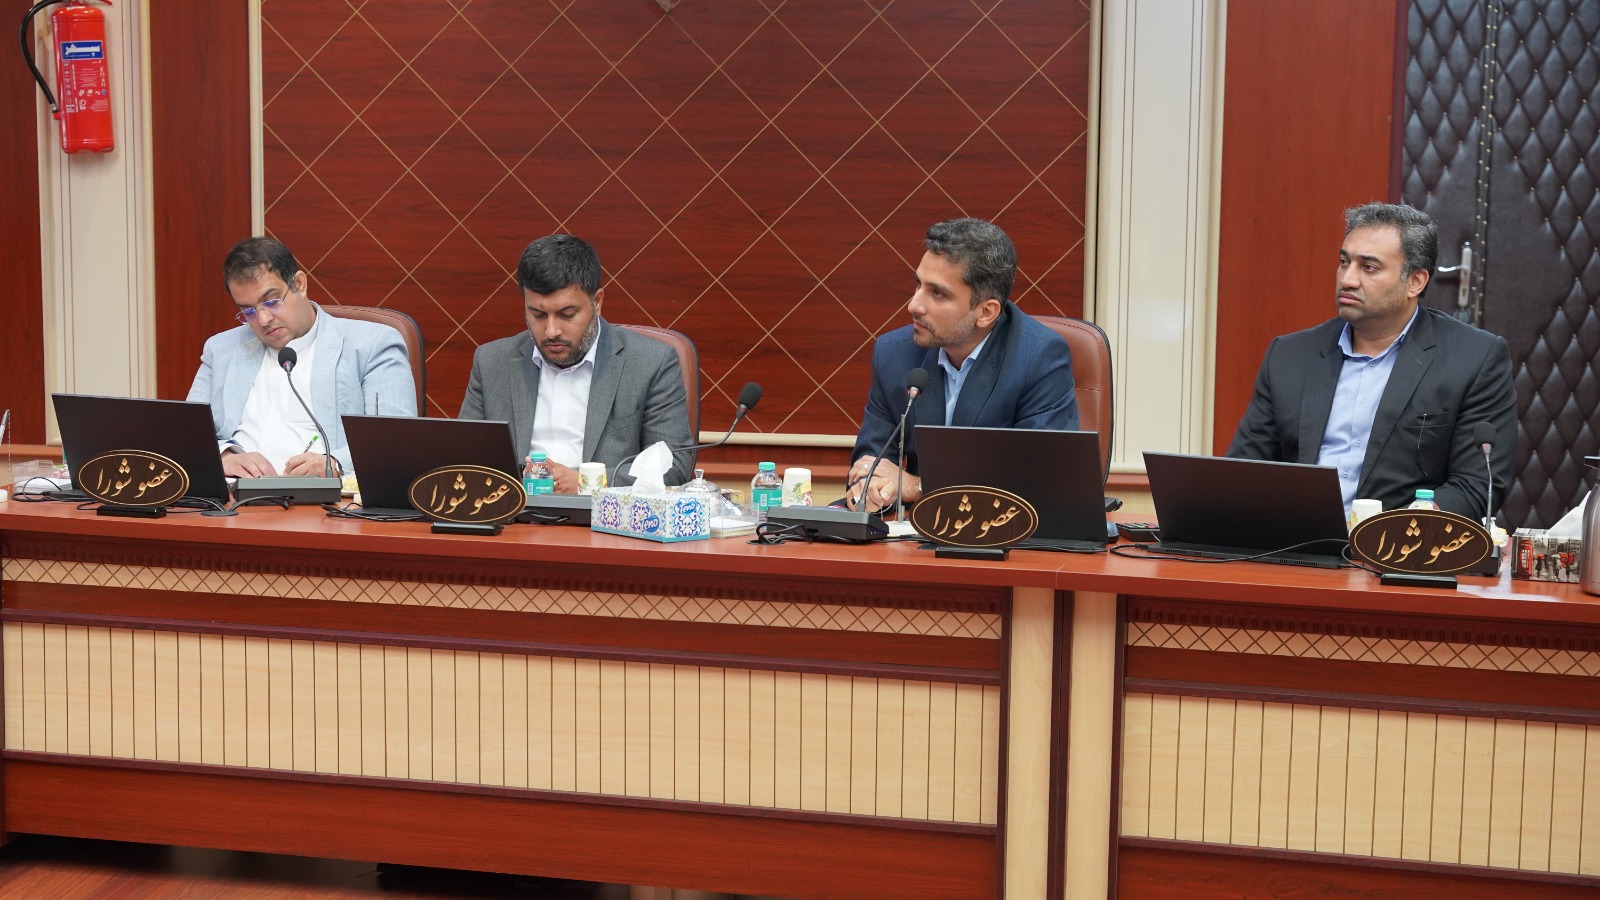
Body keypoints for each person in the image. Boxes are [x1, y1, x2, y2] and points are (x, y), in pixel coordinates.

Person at [1227, 202, 1516, 518]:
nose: (1348, 279)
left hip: (1401, 542)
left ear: (1415, 282)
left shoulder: (1473, 359)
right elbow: (1244, 471)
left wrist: (1394, 530)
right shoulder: (1289, 355)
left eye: (1369, 267)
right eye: (1344, 262)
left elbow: (1475, 485)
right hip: (1298, 540)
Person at [847, 217, 1078, 512]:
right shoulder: (894, 353)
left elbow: (1040, 481)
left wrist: (919, 486)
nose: (914, 305)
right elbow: (870, 463)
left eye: (938, 293)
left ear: (986, 312)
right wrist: (870, 490)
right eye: (918, 285)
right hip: (914, 531)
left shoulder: (1038, 357)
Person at [459, 234, 694, 493]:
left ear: (597, 302)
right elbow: (463, 460)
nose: (551, 331)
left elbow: (673, 468)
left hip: (602, 515)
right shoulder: (492, 362)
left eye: (567, 314)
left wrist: (585, 483)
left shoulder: (651, 363)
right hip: (515, 513)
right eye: (538, 314)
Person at [187, 237, 417, 479]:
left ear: (299, 284)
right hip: (235, 495)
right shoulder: (220, 349)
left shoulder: (372, 344)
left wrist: (334, 464)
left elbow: (396, 440)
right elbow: (189, 435)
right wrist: (224, 457)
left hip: (324, 497)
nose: (264, 320)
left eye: (271, 302)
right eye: (249, 311)